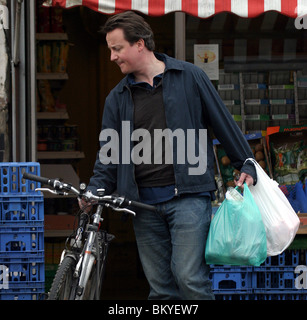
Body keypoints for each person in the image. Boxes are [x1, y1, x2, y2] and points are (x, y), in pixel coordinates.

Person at [80, 11, 256, 300]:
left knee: (190, 280)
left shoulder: (190, 77)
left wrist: (245, 160)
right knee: (161, 290)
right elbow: (108, 155)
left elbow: (222, 121)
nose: (112, 56)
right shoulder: (117, 98)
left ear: (139, 44)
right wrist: (94, 191)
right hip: (143, 205)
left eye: (117, 48)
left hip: (188, 198)